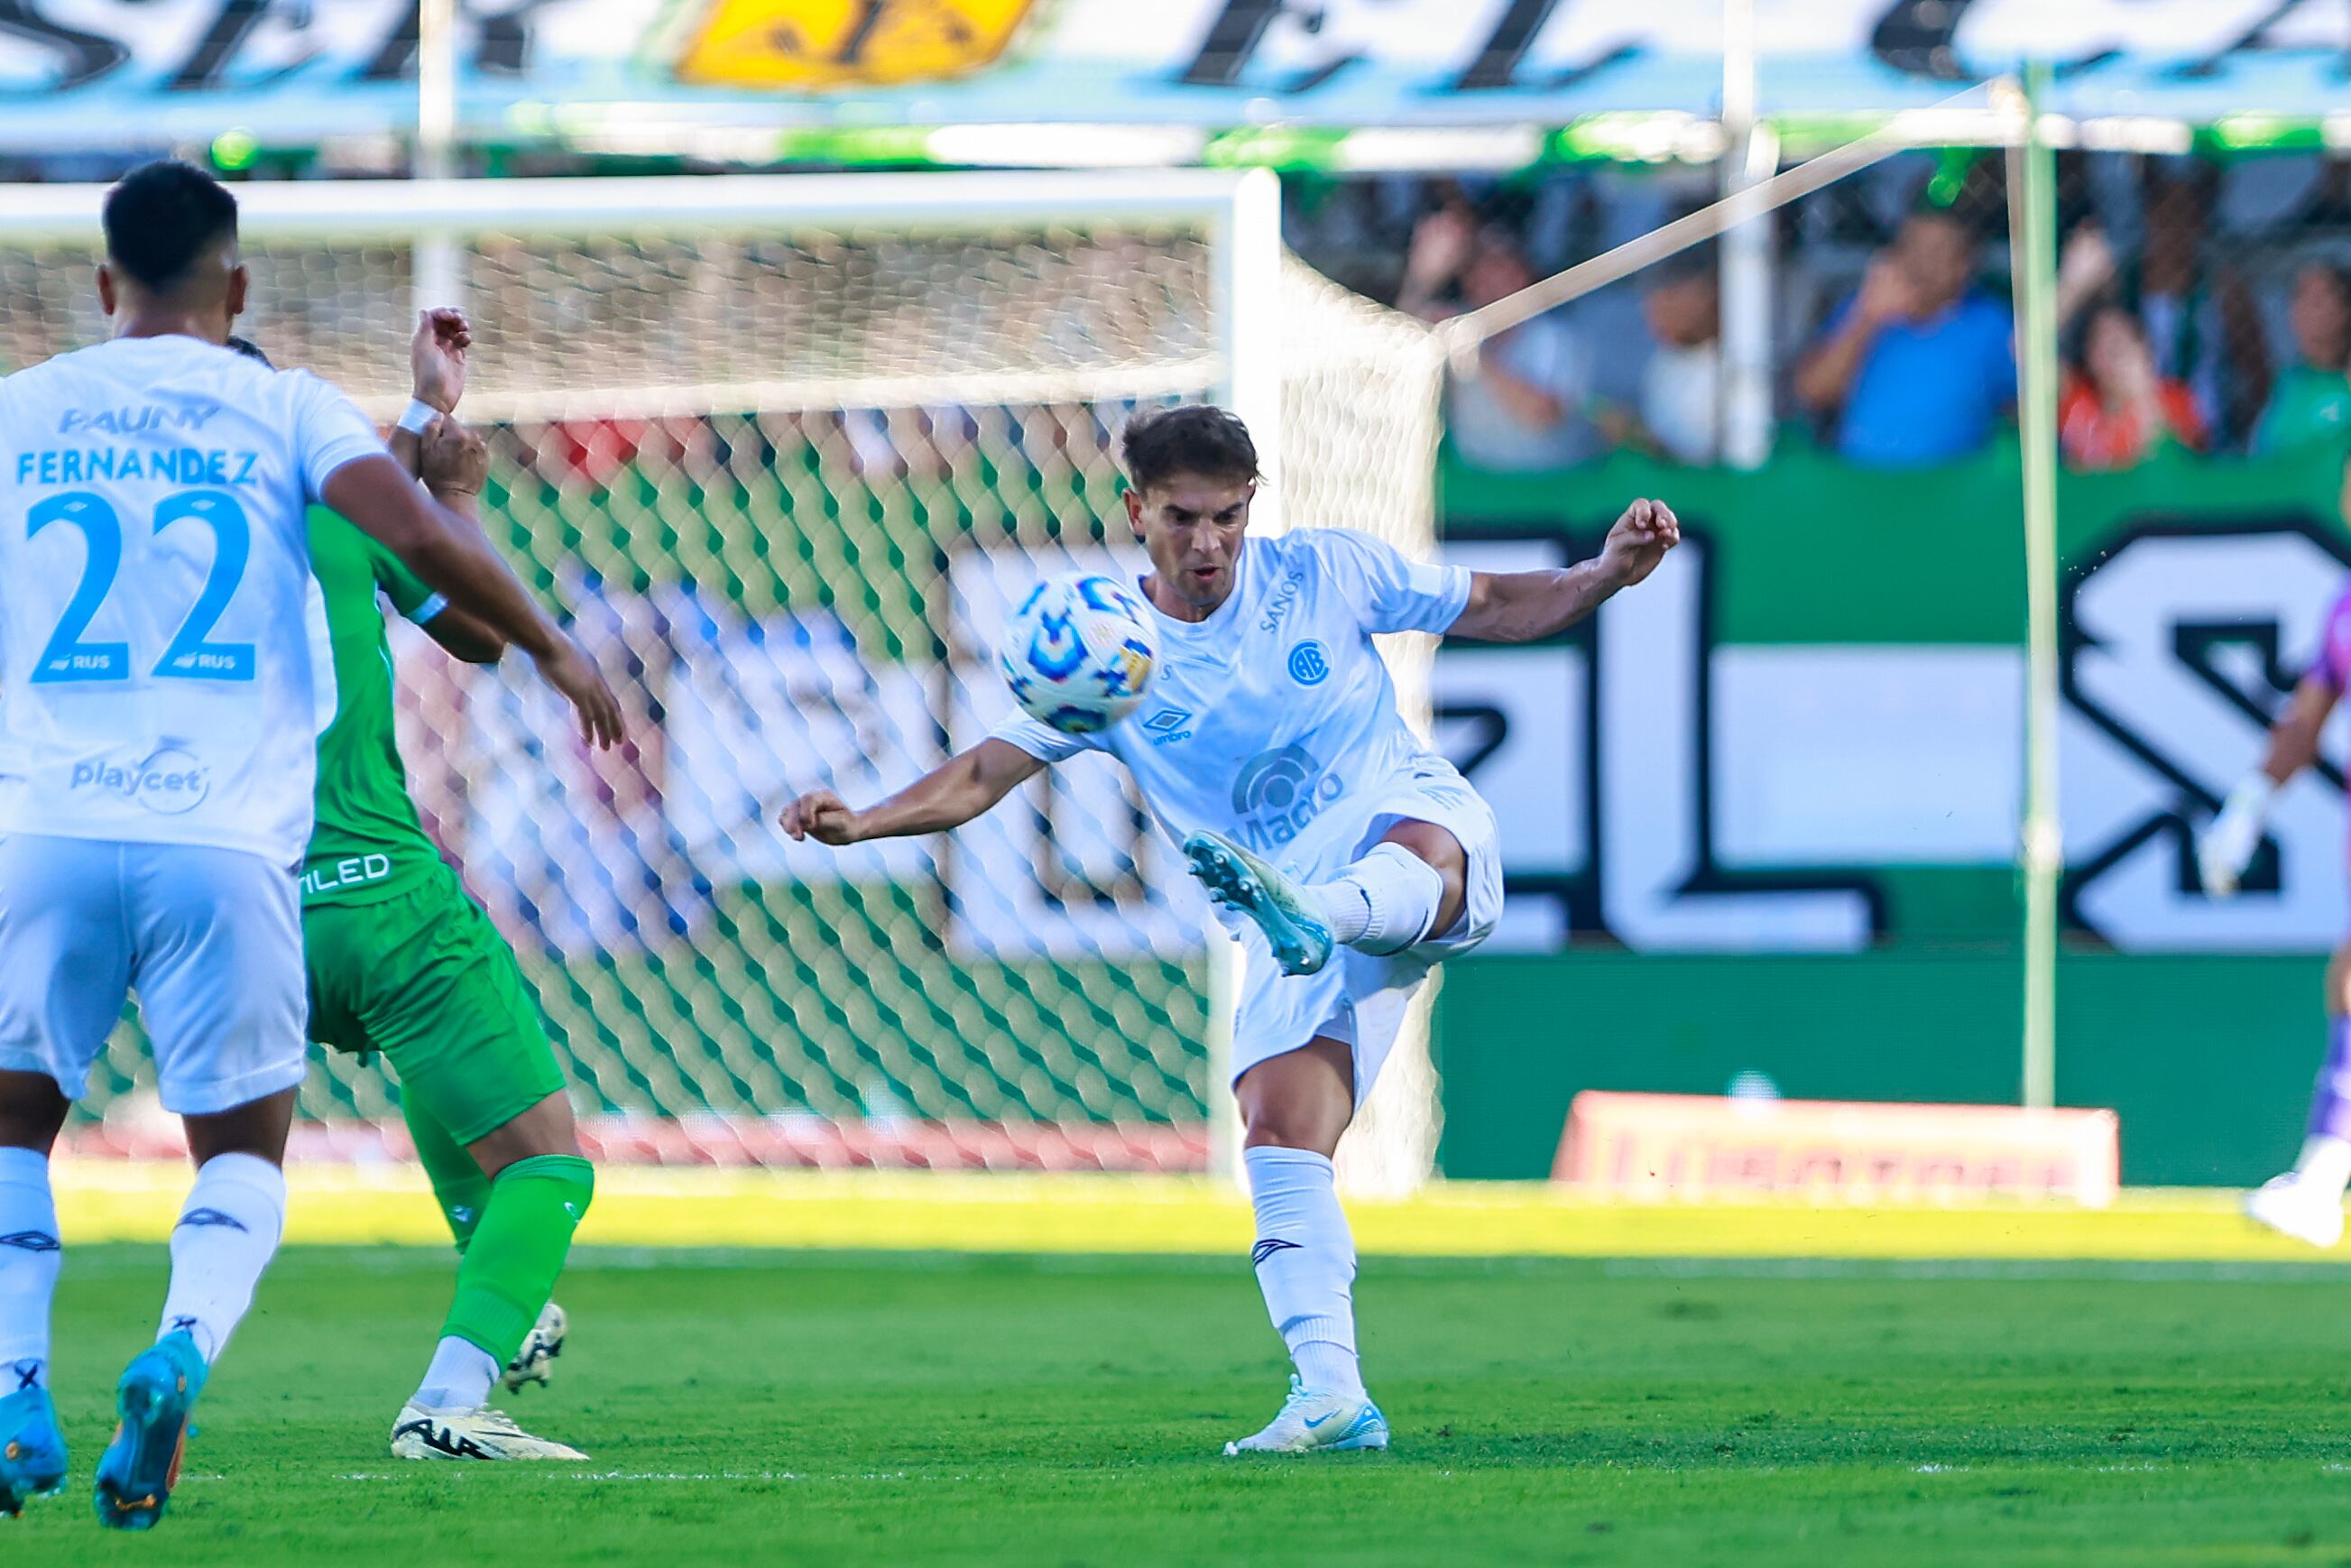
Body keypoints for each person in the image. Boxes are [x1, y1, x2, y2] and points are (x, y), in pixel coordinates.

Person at [779, 405, 1679, 1454]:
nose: (1205, 544)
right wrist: (869, 818)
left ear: (1252, 506)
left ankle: (1321, 911)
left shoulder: (1325, 574)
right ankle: (1329, 1396)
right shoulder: (1108, 651)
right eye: (1180, 519)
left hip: (1388, 825)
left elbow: (1497, 604)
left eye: (1226, 518)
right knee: (1279, 1131)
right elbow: (986, 769)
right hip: (1277, 900)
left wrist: (1605, 572)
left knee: (1425, 849)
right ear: (1134, 511)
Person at [0, 161, 622, 1528]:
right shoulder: (314, 465)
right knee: (498, 1155)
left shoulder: (52, 433)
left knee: (26, 1126)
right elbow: (448, 598)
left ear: (111, 291)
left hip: (122, 856)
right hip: (328, 880)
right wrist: (470, 513)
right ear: (234, 299)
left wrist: (413, 429)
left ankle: (18, 1368)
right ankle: (432, 1381)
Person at [231, 315, 593, 1462]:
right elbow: (481, 634)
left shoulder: (149, 557)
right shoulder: (339, 511)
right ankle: (448, 1393)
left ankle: (508, 1294)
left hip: (233, 920)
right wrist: (456, 490)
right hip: (377, 890)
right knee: (550, 1163)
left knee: (449, 1072)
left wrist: (424, 415)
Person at [2199, 449, 2351, 1248]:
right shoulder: (2344, 608)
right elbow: (2306, 721)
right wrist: (2249, 804)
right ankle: (2323, 1180)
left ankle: (2324, 1180)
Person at [1793, 208, 2015, 469]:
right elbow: (1812, 392)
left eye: (1937, 252)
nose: (1920, 263)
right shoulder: (1861, 309)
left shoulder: (1991, 325)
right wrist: (1868, 319)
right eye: (1911, 247)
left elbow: (2037, 404)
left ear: (1964, 264)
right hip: (1860, 486)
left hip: (1952, 491)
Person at [1398, 208, 1606, 473]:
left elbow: (1540, 415)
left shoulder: (1557, 338)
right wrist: (1422, 279)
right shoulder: (1459, 323)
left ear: (1522, 273)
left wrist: (1474, 356)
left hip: (1552, 492)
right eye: (1476, 270)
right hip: (1477, 490)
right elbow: (1396, 353)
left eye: (1497, 266)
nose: (1486, 279)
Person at [2059, 301, 2208, 470]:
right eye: (2097, 345)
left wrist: (2142, 392)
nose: (2109, 357)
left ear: (2142, 349)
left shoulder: (2175, 400)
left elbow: (2183, 463)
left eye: (2117, 346)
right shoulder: (2078, 400)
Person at [2252, 263, 2351, 457]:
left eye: (2316, 301)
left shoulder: (2344, 383)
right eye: (2297, 298)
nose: (2300, 311)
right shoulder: (2288, 382)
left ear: (2345, 311)